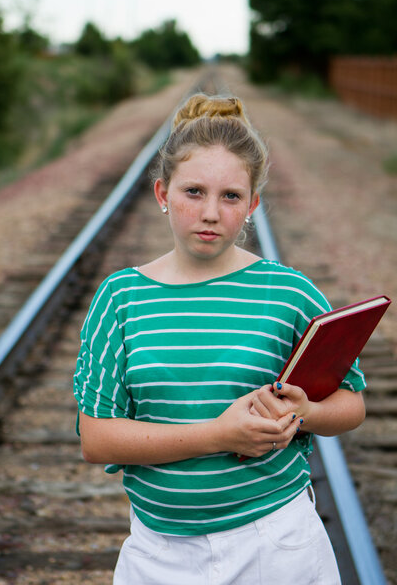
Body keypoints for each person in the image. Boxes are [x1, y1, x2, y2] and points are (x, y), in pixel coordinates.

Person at [73, 93, 366, 584]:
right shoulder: (119, 298)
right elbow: (97, 438)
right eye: (193, 192)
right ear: (163, 193)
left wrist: (306, 413)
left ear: (252, 204)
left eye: (230, 196)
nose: (211, 212)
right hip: (159, 554)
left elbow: (351, 403)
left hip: (277, 543)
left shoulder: (290, 292)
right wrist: (219, 435)